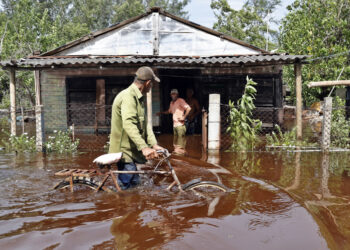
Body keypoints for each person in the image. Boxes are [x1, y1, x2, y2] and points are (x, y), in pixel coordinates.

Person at [109, 66, 164, 189]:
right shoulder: (128, 97)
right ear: (148, 83)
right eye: (152, 84)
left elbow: (145, 125)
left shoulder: (138, 98)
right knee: (126, 188)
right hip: (124, 151)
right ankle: (118, 206)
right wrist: (144, 147)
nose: (151, 87)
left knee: (136, 185)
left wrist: (153, 144)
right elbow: (129, 124)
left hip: (131, 150)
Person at [157, 89, 191, 154]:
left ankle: (180, 156)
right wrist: (161, 113)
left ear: (177, 94)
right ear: (170, 95)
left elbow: (188, 108)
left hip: (180, 126)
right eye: (172, 94)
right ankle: (177, 155)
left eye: (175, 93)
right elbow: (169, 111)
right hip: (175, 126)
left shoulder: (180, 100)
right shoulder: (171, 103)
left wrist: (184, 117)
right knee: (176, 143)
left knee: (180, 143)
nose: (173, 95)